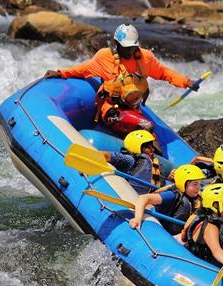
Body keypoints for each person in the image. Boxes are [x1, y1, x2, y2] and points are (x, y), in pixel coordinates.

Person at [44, 24, 197, 137]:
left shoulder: (145, 58)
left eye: (133, 47)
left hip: (134, 110)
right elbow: (82, 70)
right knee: (147, 127)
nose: (130, 51)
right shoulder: (105, 57)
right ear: (117, 44)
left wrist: (186, 82)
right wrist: (60, 73)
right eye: (126, 47)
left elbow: (164, 72)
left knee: (151, 138)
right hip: (112, 112)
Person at [129, 164, 205, 235]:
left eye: (199, 184)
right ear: (183, 184)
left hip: (174, 233)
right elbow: (143, 198)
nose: (198, 187)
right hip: (160, 230)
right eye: (195, 184)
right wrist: (137, 219)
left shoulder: (194, 197)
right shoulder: (172, 195)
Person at [103, 129, 173, 194]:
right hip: (136, 196)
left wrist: (169, 179)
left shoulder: (153, 161)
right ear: (138, 148)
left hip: (154, 194)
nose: (153, 150)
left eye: (152, 146)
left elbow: (158, 180)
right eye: (149, 147)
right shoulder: (130, 160)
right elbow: (107, 156)